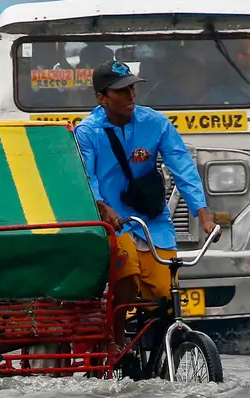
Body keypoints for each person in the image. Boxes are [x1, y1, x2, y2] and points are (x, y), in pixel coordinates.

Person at [74, 59, 219, 344]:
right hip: (113, 223)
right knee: (126, 278)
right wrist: (104, 208)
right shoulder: (87, 132)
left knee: (167, 292)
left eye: (132, 88)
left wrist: (203, 215)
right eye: (121, 90)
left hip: (152, 220)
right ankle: (115, 342)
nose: (131, 95)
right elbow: (87, 179)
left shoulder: (155, 123)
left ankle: (161, 350)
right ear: (102, 98)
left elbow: (183, 167)